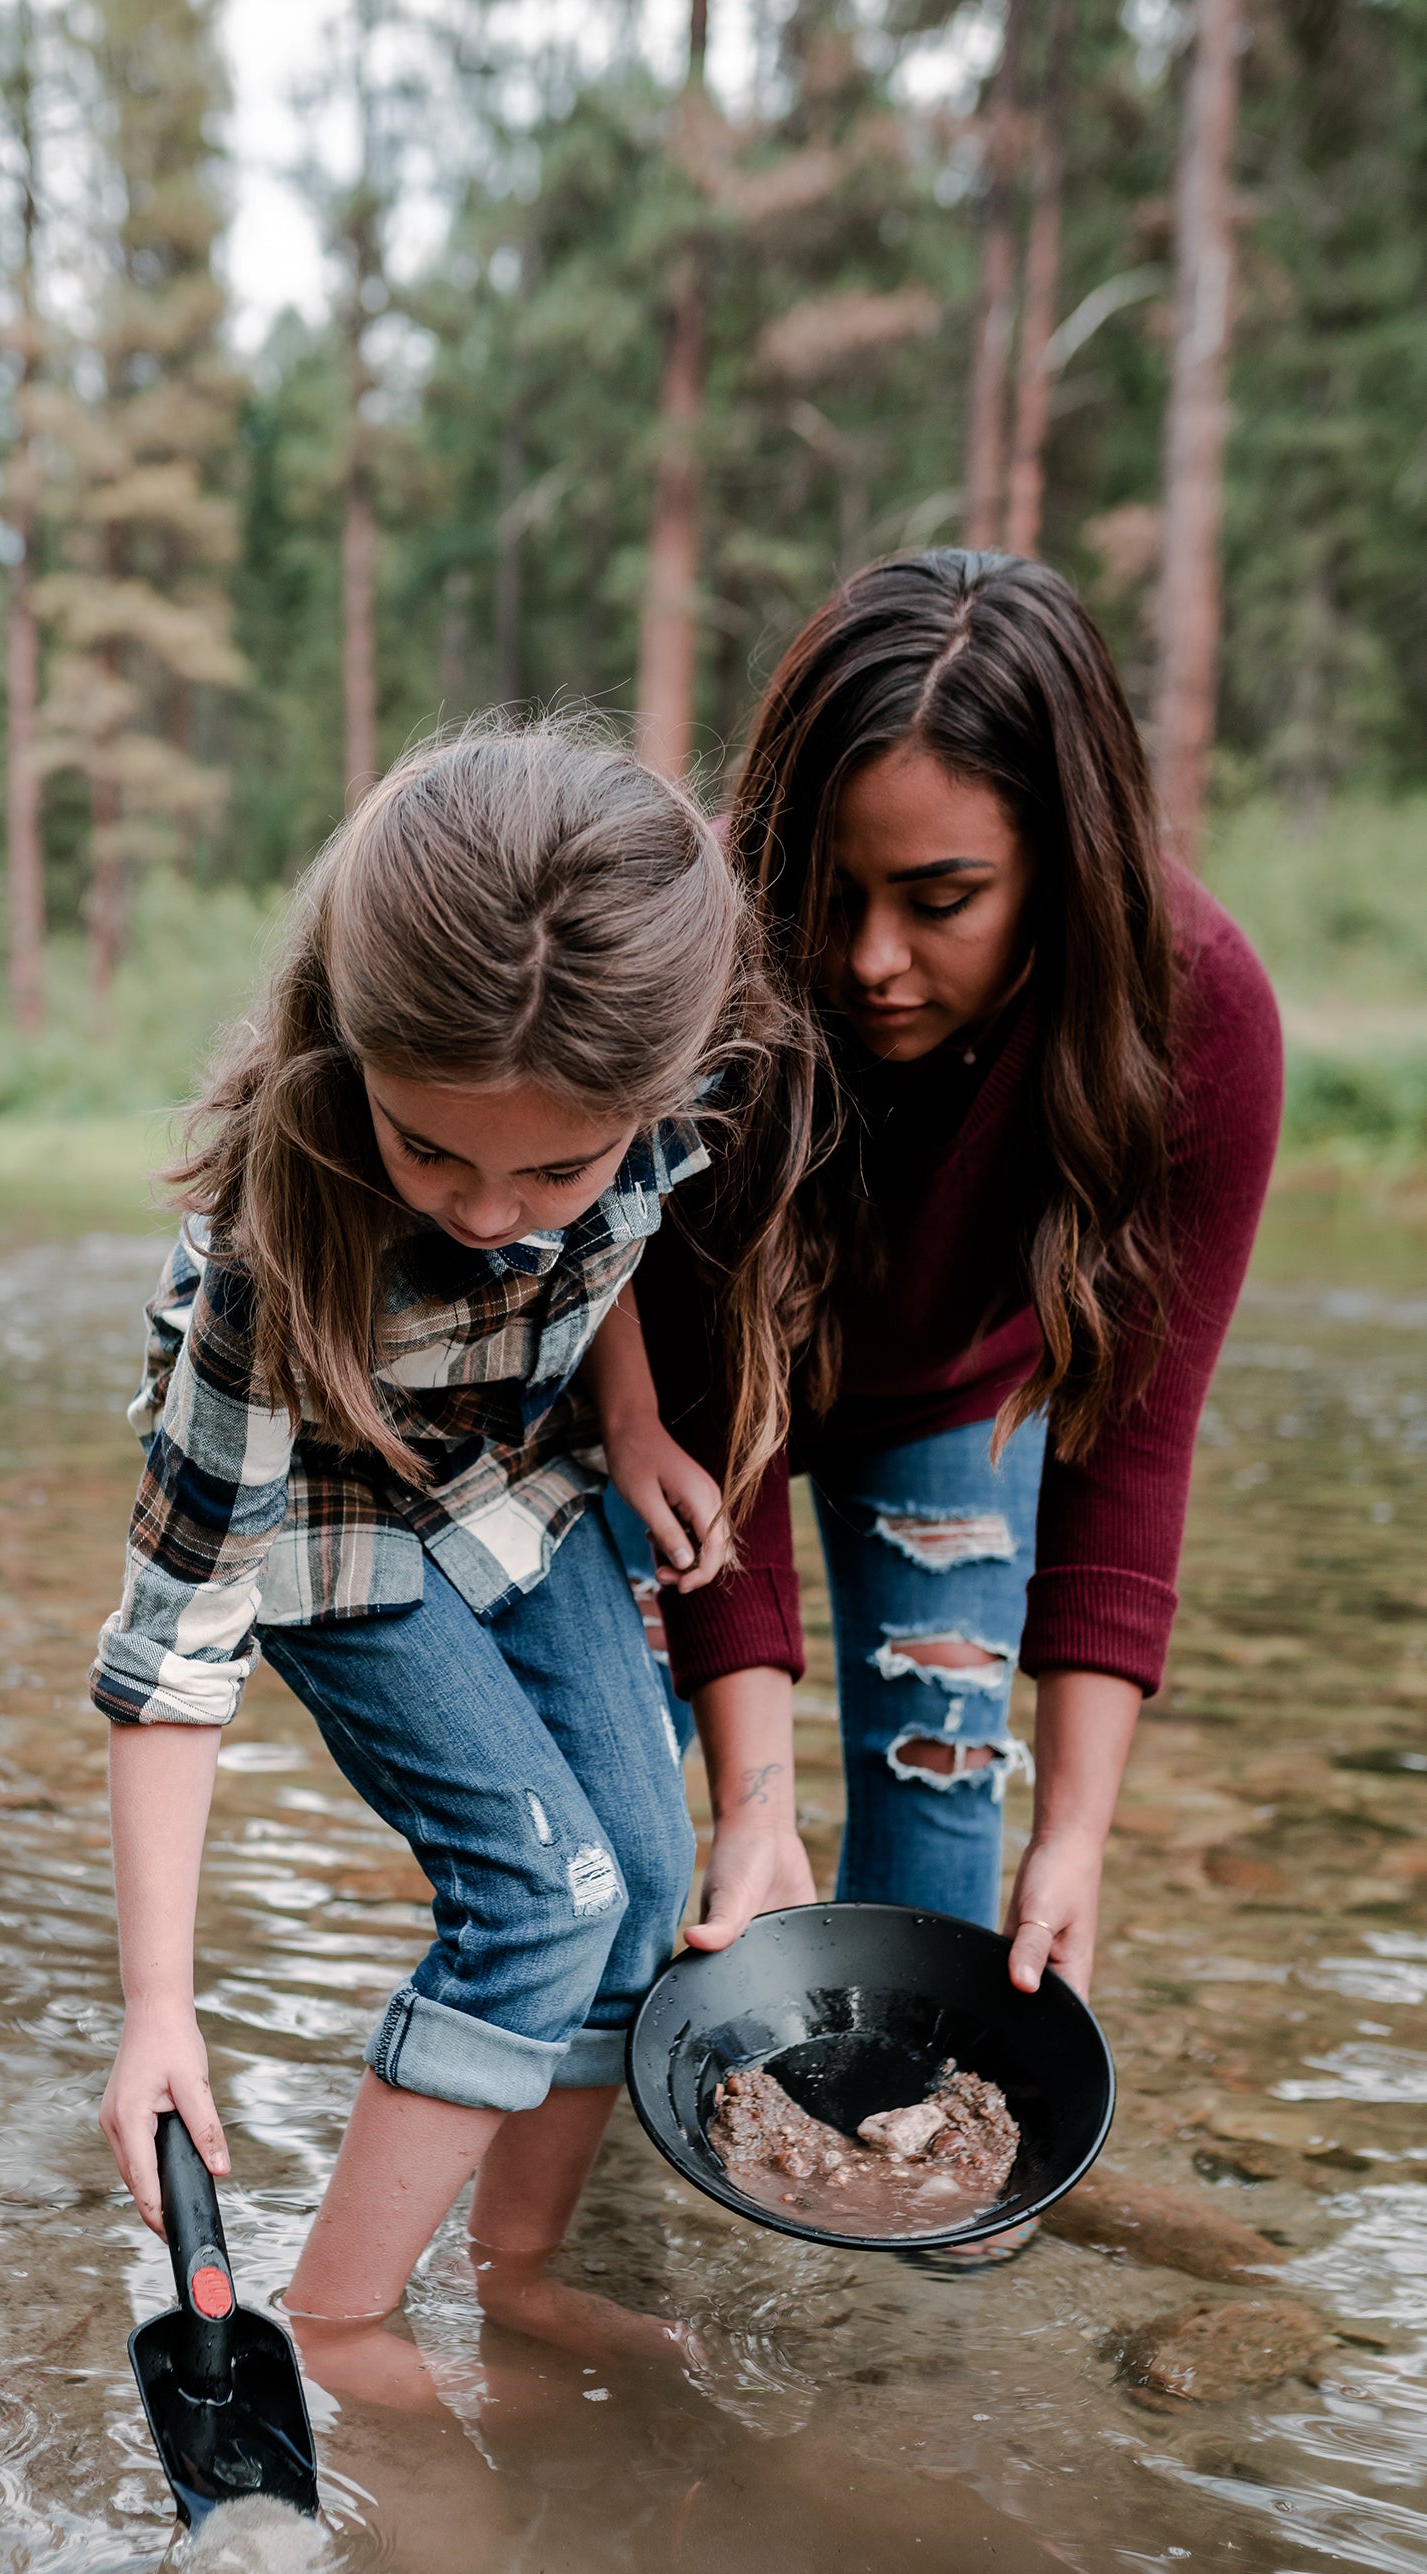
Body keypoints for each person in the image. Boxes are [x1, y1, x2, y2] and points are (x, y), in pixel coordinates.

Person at [93, 723, 814, 2331]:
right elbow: (174, 1641)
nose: (490, 1215)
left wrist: (627, 1420)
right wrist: (160, 2009)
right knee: (538, 1898)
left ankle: (517, 2270)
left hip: (508, 1468)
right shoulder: (262, 1265)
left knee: (635, 1873)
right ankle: (339, 2327)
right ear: (351, 1054)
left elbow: (608, 1252)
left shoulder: (674, 1092)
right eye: (430, 1151)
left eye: (554, 1166)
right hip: (320, 1504)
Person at [592, 548, 1282, 2019]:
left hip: (953, 1401)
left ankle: (904, 2210)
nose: (868, 960)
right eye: (830, 892)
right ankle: (605, 2192)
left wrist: (1078, 1835)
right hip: (693, 1404)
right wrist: (756, 1803)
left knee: (943, 1861)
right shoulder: (706, 949)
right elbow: (716, 1402)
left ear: (1064, 859)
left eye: (941, 898)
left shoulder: (1200, 1011)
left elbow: (1131, 1440)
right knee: (631, 1840)